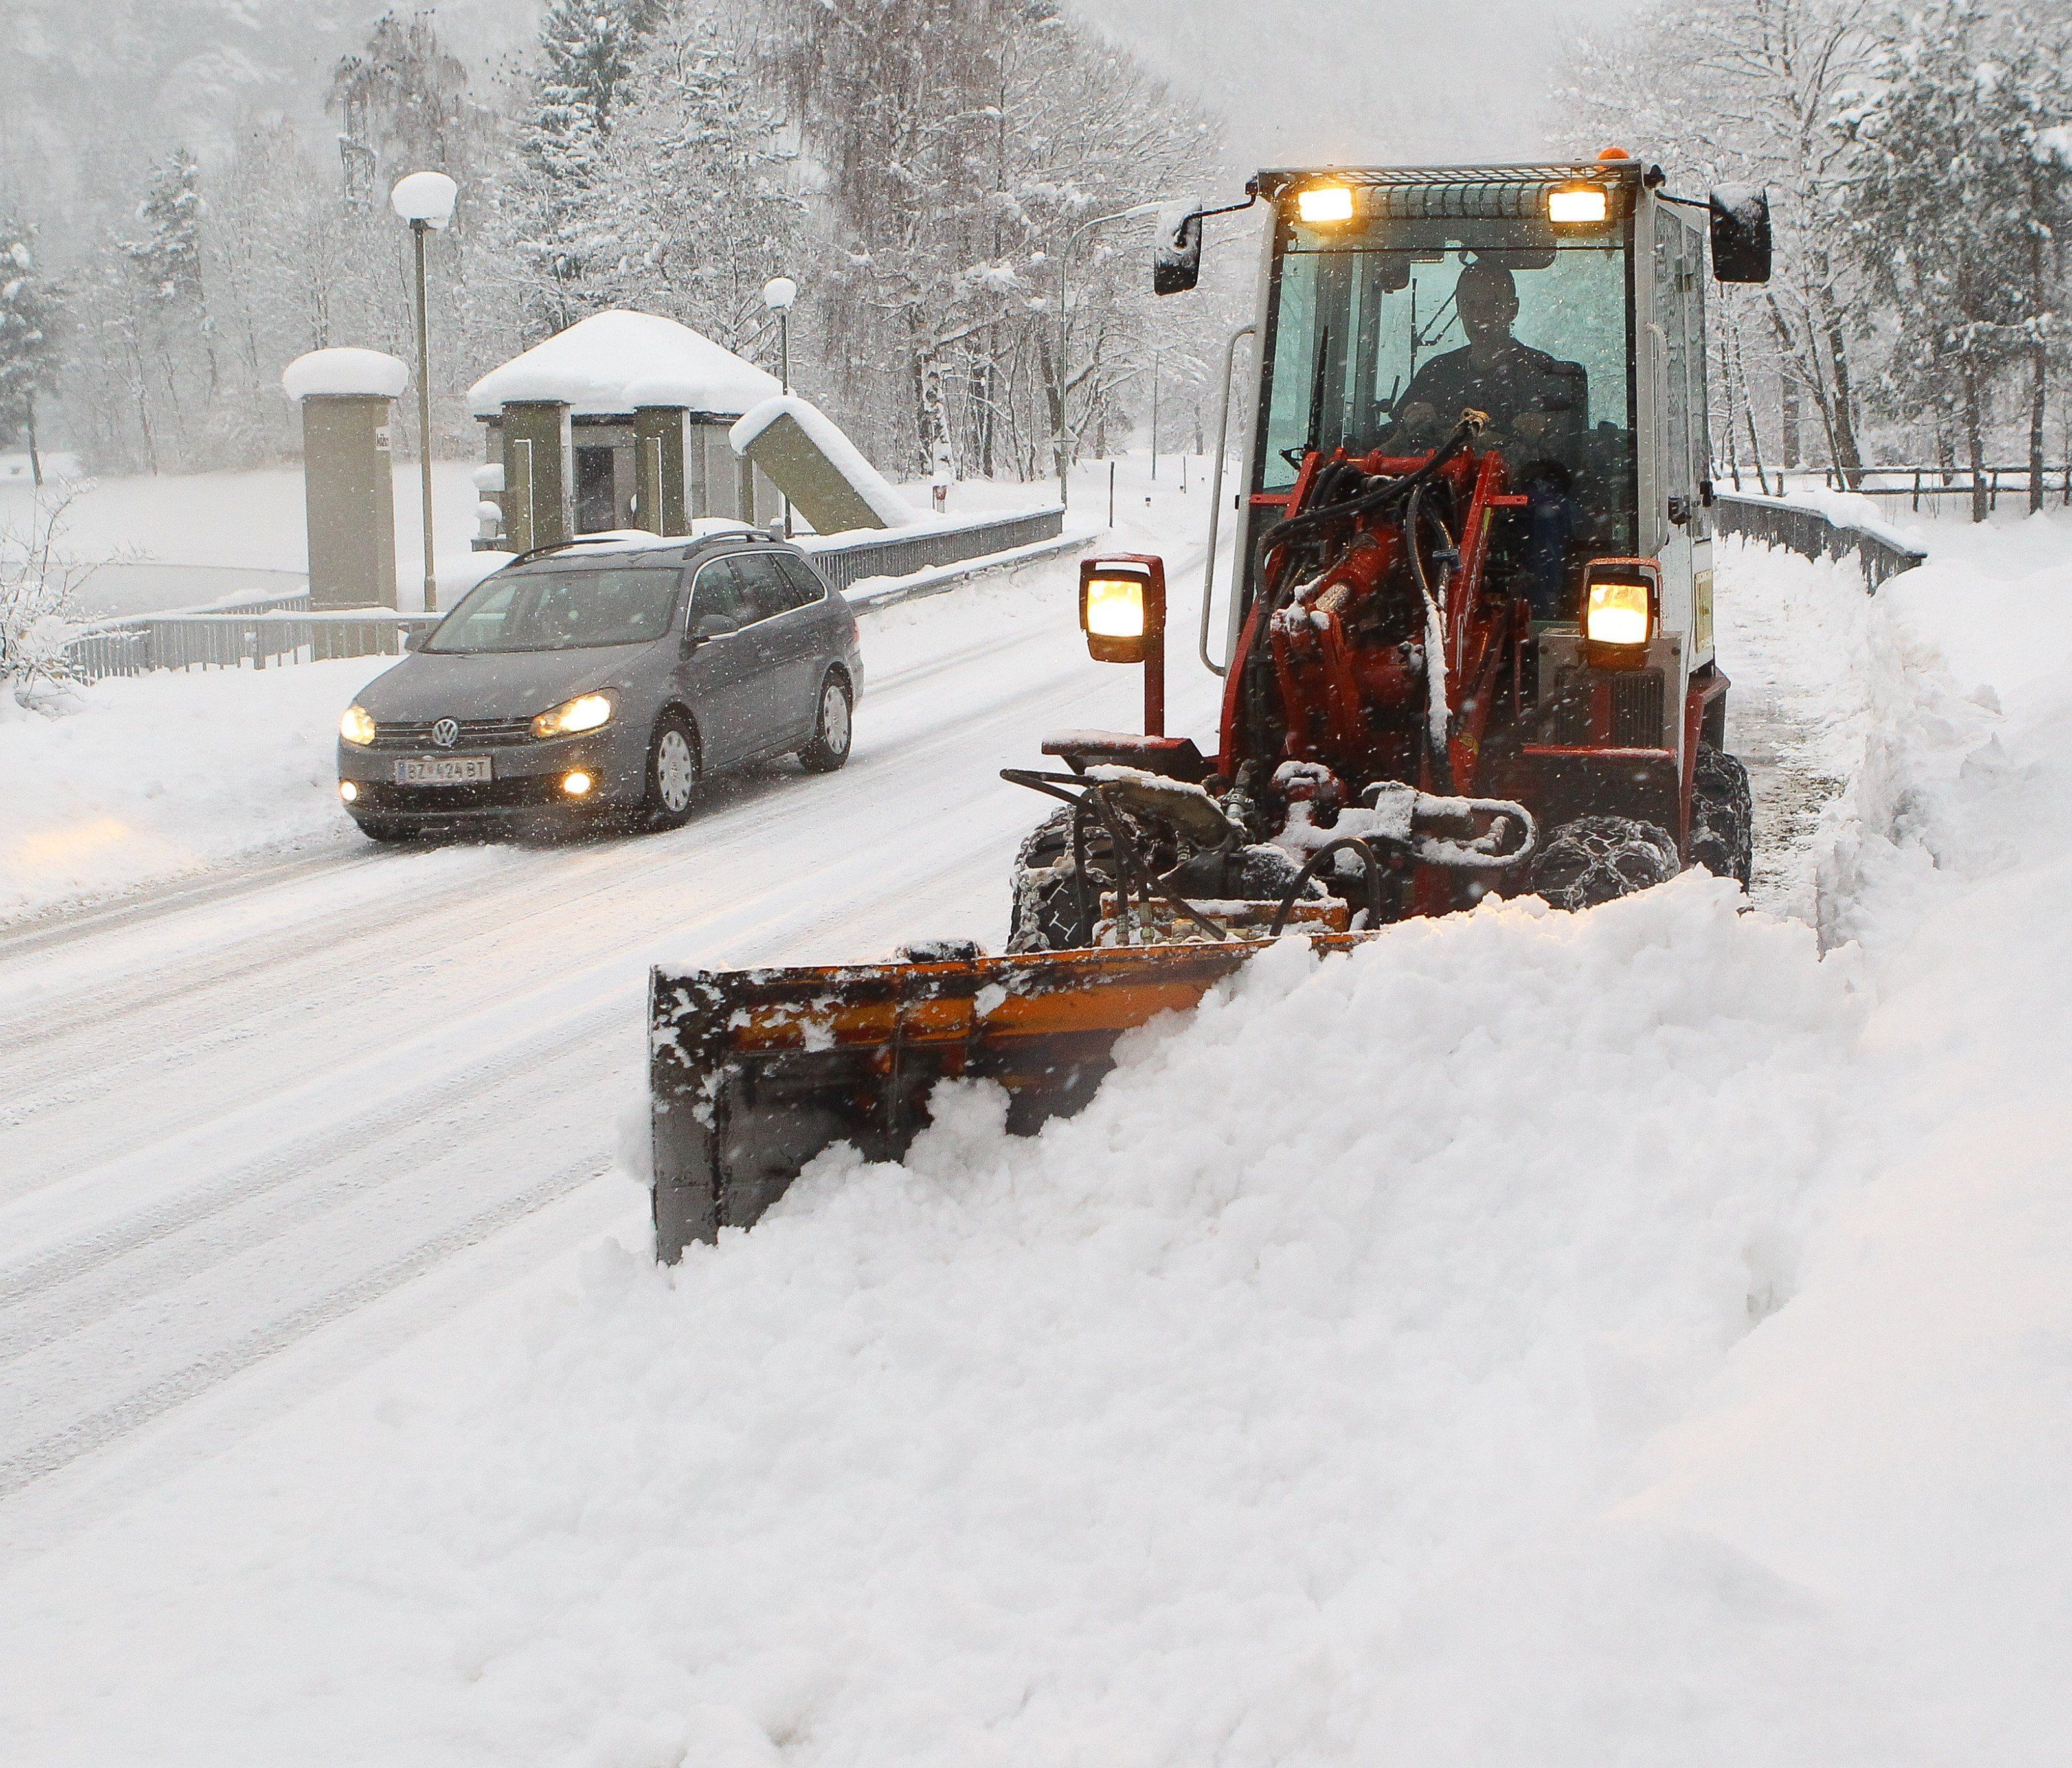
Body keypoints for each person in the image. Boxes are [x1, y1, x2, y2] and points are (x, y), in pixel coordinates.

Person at [1383, 260, 1588, 455]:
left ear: (1513, 309)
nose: (1479, 315)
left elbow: (1574, 453)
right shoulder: (1436, 373)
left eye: (1492, 304)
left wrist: (1546, 427)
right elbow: (1384, 446)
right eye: (1470, 304)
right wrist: (1412, 424)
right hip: (1438, 488)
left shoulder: (1546, 375)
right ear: (1459, 309)